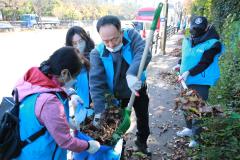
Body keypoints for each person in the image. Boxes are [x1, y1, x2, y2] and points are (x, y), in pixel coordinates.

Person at [15, 47, 100, 160]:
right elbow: (65, 141)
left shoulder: (31, 81)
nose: (75, 80)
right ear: (64, 73)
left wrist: (65, 120)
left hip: (24, 147)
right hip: (42, 154)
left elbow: (41, 115)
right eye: (75, 76)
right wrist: (88, 145)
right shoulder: (50, 102)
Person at [89, 15, 152, 156]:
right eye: (106, 41)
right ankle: (119, 151)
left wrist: (131, 74)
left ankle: (141, 143)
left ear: (121, 32)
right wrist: (100, 112)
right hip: (117, 96)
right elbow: (96, 84)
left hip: (137, 89)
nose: (111, 44)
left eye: (115, 39)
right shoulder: (96, 53)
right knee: (118, 126)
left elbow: (144, 52)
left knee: (143, 120)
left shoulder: (132, 36)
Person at [173, 16, 224, 147]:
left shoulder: (213, 43)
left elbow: (205, 62)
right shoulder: (189, 39)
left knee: (197, 109)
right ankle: (189, 129)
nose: (195, 31)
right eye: (193, 28)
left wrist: (188, 72)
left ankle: (196, 138)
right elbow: (186, 55)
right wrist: (180, 65)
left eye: (199, 29)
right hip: (185, 79)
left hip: (201, 80)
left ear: (206, 28)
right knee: (186, 105)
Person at [65, 26, 95, 124]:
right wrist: (72, 94)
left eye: (81, 41)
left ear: (87, 40)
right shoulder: (68, 62)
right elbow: (66, 85)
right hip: (81, 108)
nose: (78, 46)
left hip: (100, 106)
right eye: (74, 43)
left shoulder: (96, 55)